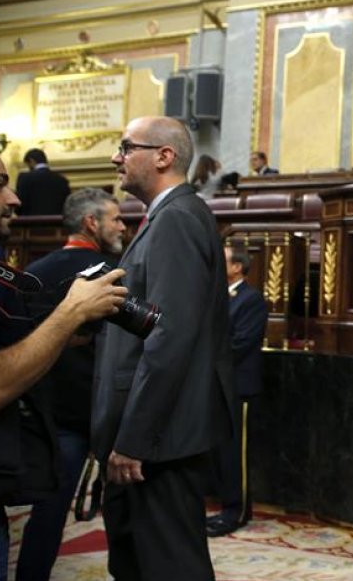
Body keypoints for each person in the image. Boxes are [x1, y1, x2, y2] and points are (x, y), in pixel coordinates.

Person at [93, 116, 234, 581]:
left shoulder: (177, 219)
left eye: (126, 147)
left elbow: (170, 338)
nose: (117, 156)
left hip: (160, 441)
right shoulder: (168, 218)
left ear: (163, 156)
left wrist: (136, 438)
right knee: (137, 563)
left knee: (170, 567)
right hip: (155, 436)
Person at [0, 150, 127, 581]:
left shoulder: (34, 270)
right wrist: (70, 315)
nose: (15, 199)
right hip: (78, 417)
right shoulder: (111, 272)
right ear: (91, 223)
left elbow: (25, 340)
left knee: (47, 516)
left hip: (46, 419)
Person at [206, 244, 268, 537]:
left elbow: (241, 343)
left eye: (224, 260)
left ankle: (236, 511)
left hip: (239, 387)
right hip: (217, 385)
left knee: (236, 453)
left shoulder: (251, 298)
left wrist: (203, 357)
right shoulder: (217, 297)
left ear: (237, 267)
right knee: (220, 452)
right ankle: (225, 505)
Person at [16, 148, 70, 216]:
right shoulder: (61, 180)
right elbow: (67, 205)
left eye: (28, 165)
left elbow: (19, 203)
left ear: (31, 161)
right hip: (56, 222)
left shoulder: (24, 178)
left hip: (31, 222)